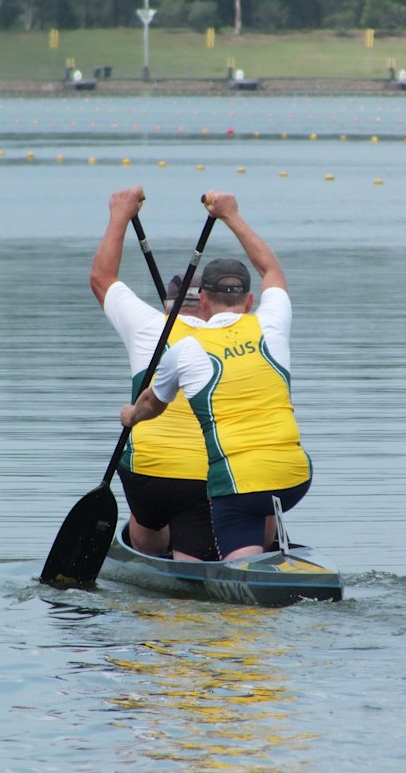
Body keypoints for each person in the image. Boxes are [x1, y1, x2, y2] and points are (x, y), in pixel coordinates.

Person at [120, 192, 312, 561]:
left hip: (237, 486)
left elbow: (150, 405)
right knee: (260, 499)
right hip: (295, 479)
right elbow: (272, 271)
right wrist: (232, 216)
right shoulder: (270, 327)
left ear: (202, 304)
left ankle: (228, 568)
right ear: (250, 301)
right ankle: (268, 553)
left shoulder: (187, 349)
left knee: (224, 541)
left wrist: (130, 416)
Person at [90, 186, 218, 562]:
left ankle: (149, 549)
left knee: (149, 510)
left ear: (168, 307)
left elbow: (101, 278)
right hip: (222, 473)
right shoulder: (241, 333)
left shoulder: (149, 326)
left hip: (152, 479)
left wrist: (120, 215)